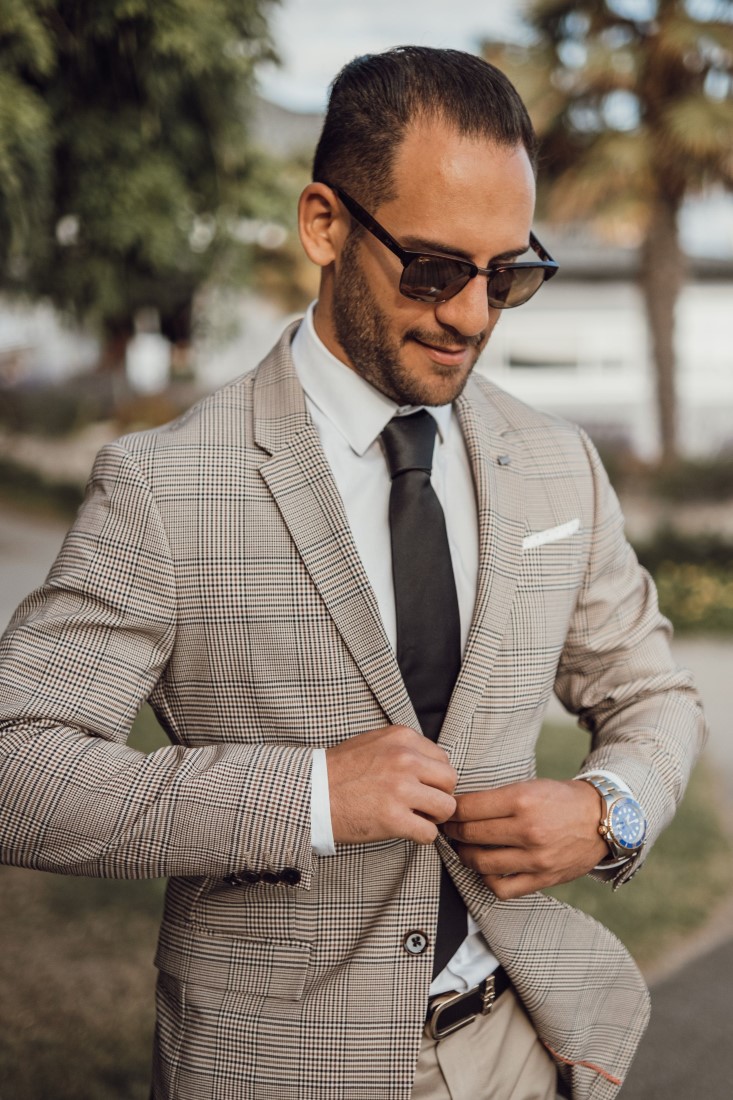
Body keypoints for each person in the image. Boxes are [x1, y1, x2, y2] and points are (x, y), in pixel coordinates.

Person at [0, 47, 705, 1100]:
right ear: (325, 224)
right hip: (274, 1067)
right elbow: (17, 769)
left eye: (506, 273)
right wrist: (306, 794)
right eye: (433, 268)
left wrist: (612, 809)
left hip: (523, 1044)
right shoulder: (165, 484)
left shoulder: (559, 461)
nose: (472, 314)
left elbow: (655, 692)